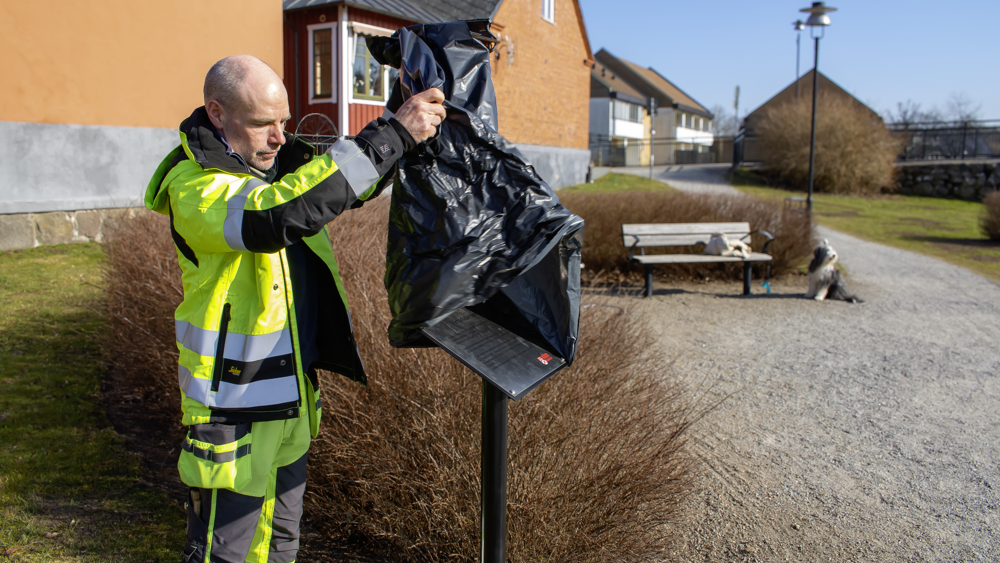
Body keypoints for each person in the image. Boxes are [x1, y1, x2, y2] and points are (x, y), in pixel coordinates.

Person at [143, 54, 445, 563]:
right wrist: (391, 133)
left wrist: (407, 118)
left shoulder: (276, 164)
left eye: (284, 121)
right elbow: (277, 215)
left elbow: (343, 186)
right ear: (217, 114)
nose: (280, 137)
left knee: (283, 542)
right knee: (228, 552)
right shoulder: (193, 185)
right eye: (264, 124)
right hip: (234, 404)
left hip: (292, 395)